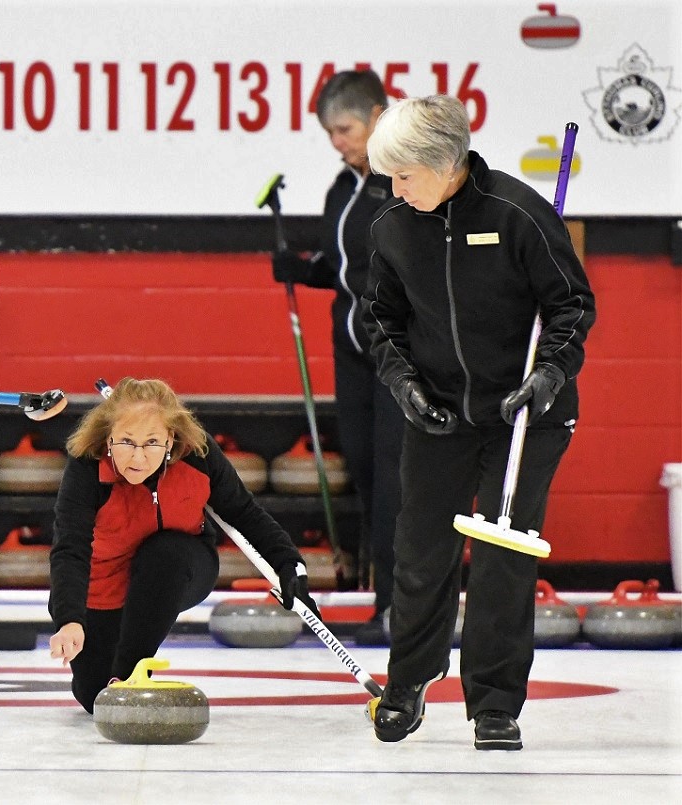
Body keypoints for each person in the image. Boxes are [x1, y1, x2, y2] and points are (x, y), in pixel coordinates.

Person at [362, 95, 595, 750]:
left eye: (403, 175)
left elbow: (570, 305)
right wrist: (402, 382)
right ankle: (407, 681)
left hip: (524, 414)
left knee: (500, 556)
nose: (395, 189)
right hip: (437, 411)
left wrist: (548, 373)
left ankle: (493, 703)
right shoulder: (391, 226)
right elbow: (379, 319)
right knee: (419, 552)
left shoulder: (517, 215)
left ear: (443, 163)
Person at [47, 377, 320, 713]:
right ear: (108, 438)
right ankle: (110, 678)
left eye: (151, 443)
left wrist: (290, 565)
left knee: (164, 553)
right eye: (127, 442)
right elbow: (70, 548)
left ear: (171, 439)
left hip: (179, 566)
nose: (138, 457)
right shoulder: (87, 465)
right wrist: (69, 619)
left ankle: (128, 677)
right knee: (94, 697)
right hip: (105, 584)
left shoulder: (197, 455)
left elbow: (244, 513)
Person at [270, 69, 402, 645]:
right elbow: (346, 267)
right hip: (352, 354)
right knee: (368, 474)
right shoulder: (343, 187)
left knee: (399, 484)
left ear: (377, 116)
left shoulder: (410, 179)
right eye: (328, 133)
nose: (337, 142)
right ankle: (382, 598)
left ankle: (401, 606)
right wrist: (304, 269)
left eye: (344, 129)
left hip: (403, 355)